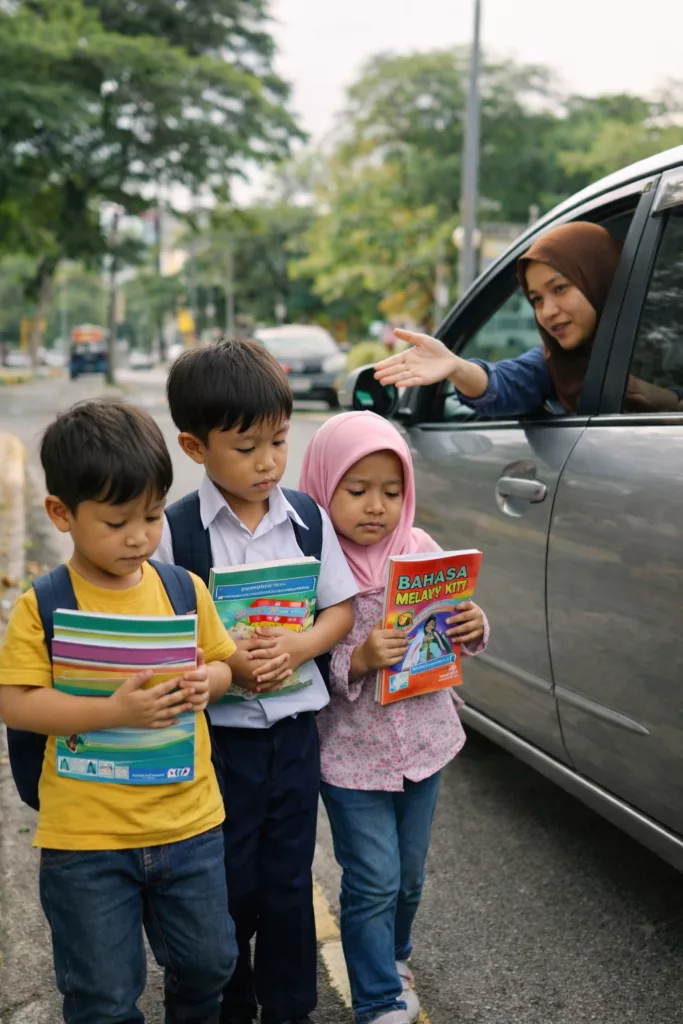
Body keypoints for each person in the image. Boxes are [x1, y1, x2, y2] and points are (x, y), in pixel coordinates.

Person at [0, 400, 238, 1024]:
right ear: (61, 514)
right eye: (116, 522)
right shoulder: (44, 605)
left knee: (211, 963)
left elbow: (225, 664)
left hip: (188, 826)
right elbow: (16, 703)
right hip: (87, 840)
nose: (139, 536)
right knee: (103, 996)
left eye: (153, 516)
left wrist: (205, 684)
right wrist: (113, 710)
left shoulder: (182, 589)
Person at [154, 339, 358, 1024]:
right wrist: (224, 659)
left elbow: (340, 608)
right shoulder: (176, 535)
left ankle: (292, 1006)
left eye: (279, 439)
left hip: (294, 738)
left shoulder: (304, 518)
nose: (268, 461)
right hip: (219, 744)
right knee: (227, 882)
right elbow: (159, 640)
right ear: (194, 446)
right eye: (246, 447)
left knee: (287, 881)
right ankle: (229, 1004)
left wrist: (299, 642)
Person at [299, 410, 489, 1024]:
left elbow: (453, 622)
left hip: (425, 741)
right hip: (352, 754)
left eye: (392, 490)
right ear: (324, 485)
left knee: (408, 876)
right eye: (357, 491)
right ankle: (377, 997)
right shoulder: (316, 565)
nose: (376, 506)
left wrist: (473, 625)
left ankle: (396, 954)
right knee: (373, 878)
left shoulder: (420, 548)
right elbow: (306, 663)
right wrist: (358, 660)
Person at [374, 221, 683, 416]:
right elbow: (503, 383)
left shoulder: (670, 343)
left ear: (600, 279)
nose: (547, 311)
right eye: (536, 299)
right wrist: (456, 367)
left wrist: (665, 400)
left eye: (560, 288)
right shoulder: (555, 366)